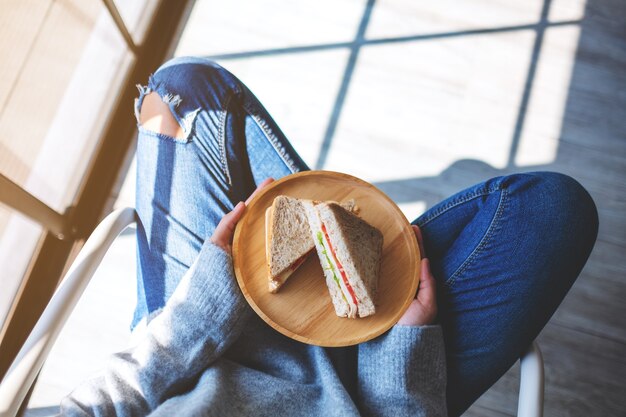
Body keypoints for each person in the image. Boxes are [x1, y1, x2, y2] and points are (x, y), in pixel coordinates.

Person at [59, 57, 598, 416]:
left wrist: (199, 311)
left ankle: (332, 239)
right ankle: (341, 242)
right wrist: (402, 360)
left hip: (192, 354)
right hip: (370, 393)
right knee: (553, 209)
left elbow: (105, 403)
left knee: (181, 94)